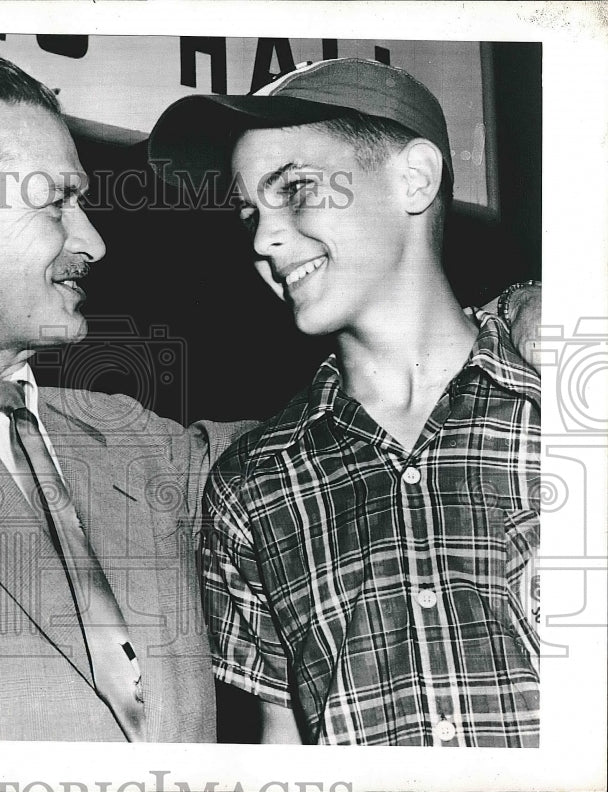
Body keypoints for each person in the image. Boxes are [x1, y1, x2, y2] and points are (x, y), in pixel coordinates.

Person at [0, 54, 539, 742]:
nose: (95, 242)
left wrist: (525, 319)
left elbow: (354, 433)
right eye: (57, 203)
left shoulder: (136, 444)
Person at [149, 58, 541, 746]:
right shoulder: (253, 488)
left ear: (413, 178)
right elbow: (285, 747)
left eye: (295, 188)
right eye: (250, 213)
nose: (264, 240)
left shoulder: (567, 397)